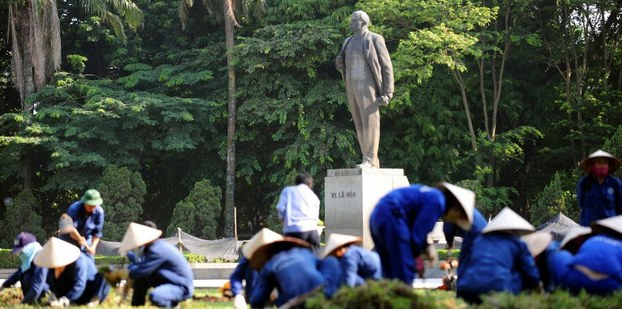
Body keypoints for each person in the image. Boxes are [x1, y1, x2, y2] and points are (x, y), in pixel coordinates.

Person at [369, 182, 476, 284]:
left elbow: (416, 229)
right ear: (456, 208)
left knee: (388, 270)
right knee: (404, 272)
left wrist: (426, 246)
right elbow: (417, 236)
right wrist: (418, 260)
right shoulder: (438, 202)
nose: (454, 220)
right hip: (393, 218)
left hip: (376, 216)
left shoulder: (431, 195)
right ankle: (403, 300)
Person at [335, 10, 394, 168]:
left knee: (370, 123)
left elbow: (387, 67)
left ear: (363, 22)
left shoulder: (374, 39)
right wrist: (339, 62)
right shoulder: (347, 41)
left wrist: (388, 93)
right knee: (359, 123)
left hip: (368, 87)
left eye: (354, 20)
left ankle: (370, 159)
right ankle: (368, 158)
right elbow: (344, 63)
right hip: (351, 87)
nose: (351, 23)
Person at [456, 207, 540, 304]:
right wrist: (537, 286)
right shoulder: (517, 243)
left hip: (467, 288)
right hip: (498, 289)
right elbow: (531, 271)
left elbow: (464, 265)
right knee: (521, 274)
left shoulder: (479, 240)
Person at [244, 228, 341, 307]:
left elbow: (257, 299)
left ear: (267, 254)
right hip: (323, 292)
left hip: (294, 301)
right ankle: (332, 293)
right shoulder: (304, 252)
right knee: (330, 261)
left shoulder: (270, 265)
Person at [118, 222, 194, 307]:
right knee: (141, 278)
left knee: (155, 296)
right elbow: (141, 267)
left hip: (180, 287)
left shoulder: (157, 250)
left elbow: (141, 270)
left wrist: (122, 273)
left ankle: (173, 306)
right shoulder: (153, 247)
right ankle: (137, 305)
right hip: (168, 280)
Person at [551, 215, 622, 295]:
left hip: (577, 279)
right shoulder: (619, 246)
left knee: (561, 255)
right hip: (608, 286)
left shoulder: (593, 239)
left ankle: (557, 288)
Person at [34, 237, 109, 306]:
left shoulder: (79, 262)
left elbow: (80, 284)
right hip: (68, 292)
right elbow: (48, 283)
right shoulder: (51, 267)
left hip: (87, 291)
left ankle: (95, 300)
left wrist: (65, 300)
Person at [276, 172, 321, 252]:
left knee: (292, 260)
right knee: (314, 260)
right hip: (311, 231)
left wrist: (284, 221)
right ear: (309, 183)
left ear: (296, 182)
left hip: (293, 232)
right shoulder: (313, 195)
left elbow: (280, 208)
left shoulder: (288, 191)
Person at [0, 232, 49, 304]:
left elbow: (36, 289)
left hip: (43, 303)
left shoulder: (41, 263)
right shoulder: (27, 264)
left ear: (30, 248)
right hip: (31, 302)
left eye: (21, 251)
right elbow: (13, 279)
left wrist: (21, 305)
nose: (19, 254)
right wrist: (2, 287)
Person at [577, 149, 622, 226]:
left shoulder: (615, 183)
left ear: (608, 165)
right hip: (589, 226)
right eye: (598, 162)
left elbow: (620, 207)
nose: (602, 165)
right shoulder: (585, 183)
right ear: (593, 165)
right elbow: (581, 204)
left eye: (605, 162)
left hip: (611, 227)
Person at [443, 207, 487, 278]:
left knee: (464, 261)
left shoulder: (452, 209)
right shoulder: (469, 209)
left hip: (473, 234)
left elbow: (448, 229)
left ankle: (463, 283)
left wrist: (450, 243)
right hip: (484, 234)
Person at [63, 189, 105, 256]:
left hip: (87, 239)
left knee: (89, 260)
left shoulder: (99, 212)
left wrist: (92, 248)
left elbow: (97, 234)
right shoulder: (74, 209)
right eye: (90, 205)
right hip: (68, 239)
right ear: (85, 203)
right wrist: (80, 239)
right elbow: (71, 230)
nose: (92, 207)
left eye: (94, 205)